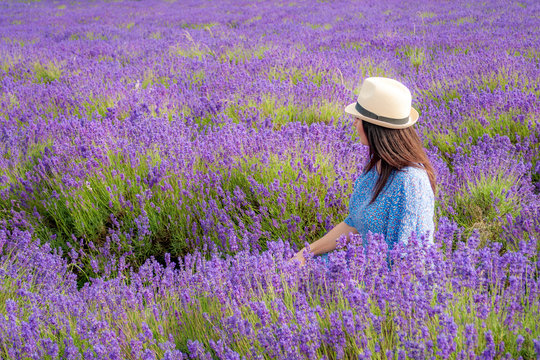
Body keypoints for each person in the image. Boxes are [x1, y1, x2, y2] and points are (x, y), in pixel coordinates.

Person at [291, 77, 436, 266]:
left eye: (359, 119)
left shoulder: (410, 182)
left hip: (387, 284)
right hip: (363, 268)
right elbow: (353, 224)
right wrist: (304, 254)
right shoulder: (377, 166)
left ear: (375, 128)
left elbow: (410, 261)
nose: (354, 124)